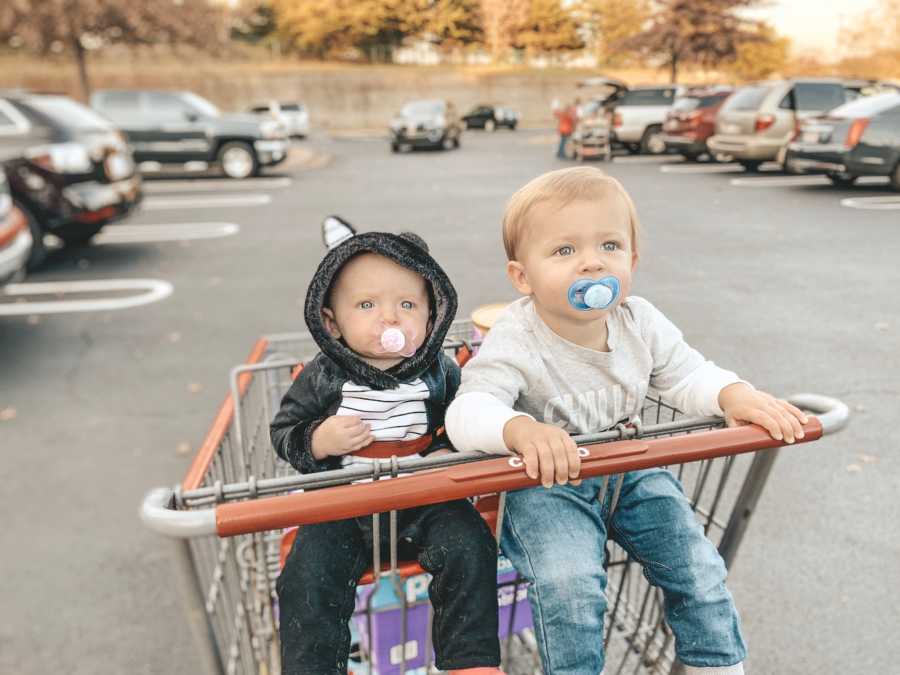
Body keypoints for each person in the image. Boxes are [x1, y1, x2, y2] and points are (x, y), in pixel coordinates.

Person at [445, 167, 809, 675]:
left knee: (697, 566)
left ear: (632, 259)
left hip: (632, 467)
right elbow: (467, 411)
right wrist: (520, 430)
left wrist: (733, 394)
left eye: (610, 245)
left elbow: (686, 374)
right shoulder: (516, 336)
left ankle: (717, 664)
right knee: (569, 585)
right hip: (548, 485)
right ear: (522, 277)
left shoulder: (639, 320)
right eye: (564, 251)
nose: (592, 262)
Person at [271, 216, 503, 675]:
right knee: (306, 577)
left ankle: (470, 661)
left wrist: (446, 445)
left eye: (406, 304)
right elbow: (285, 431)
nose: (390, 318)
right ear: (332, 323)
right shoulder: (324, 374)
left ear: (431, 315)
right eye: (366, 304)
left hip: (421, 494)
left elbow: (460, 416)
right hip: (343, 499)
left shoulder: (438, 370)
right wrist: (319, 438)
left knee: (471, 545)